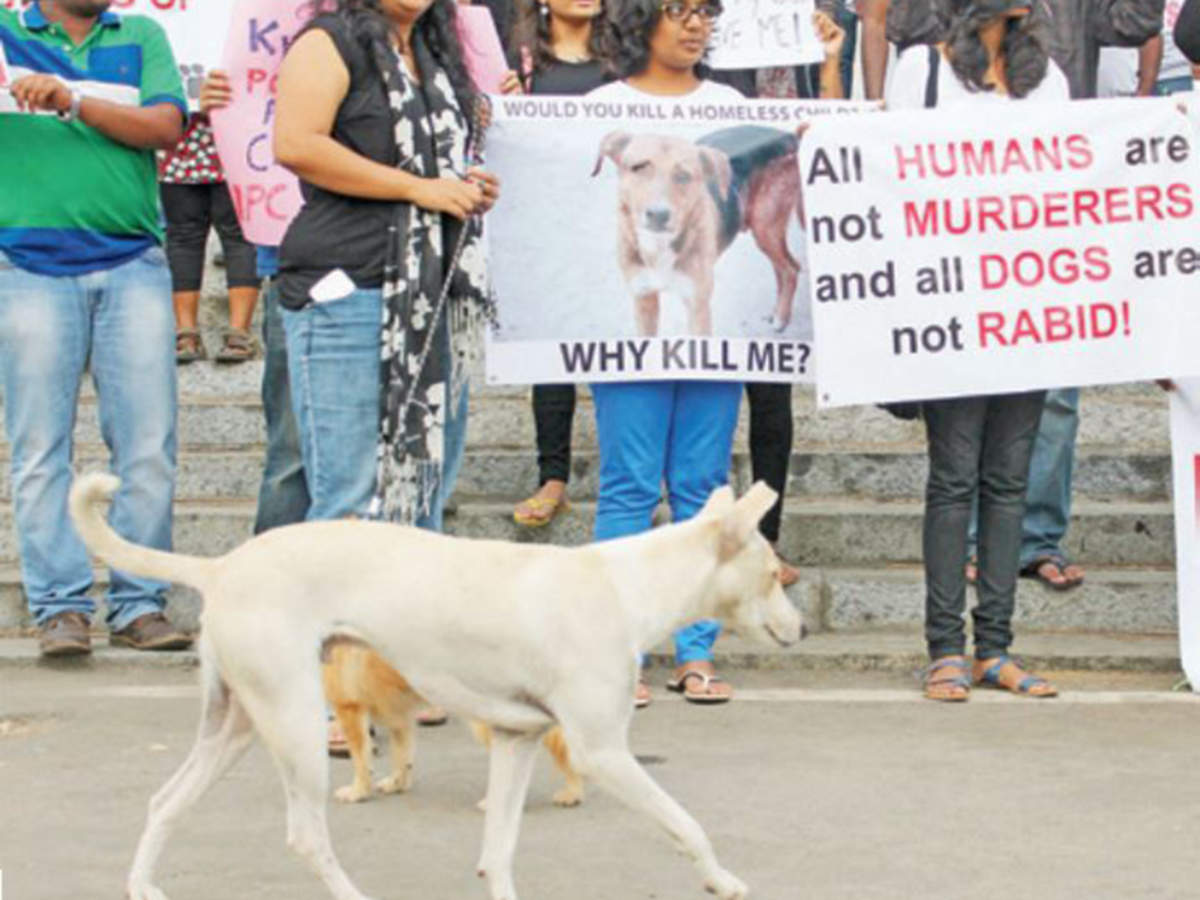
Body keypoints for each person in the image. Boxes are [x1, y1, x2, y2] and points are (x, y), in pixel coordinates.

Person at [885, 0, 1069, 701]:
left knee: (1008, 481)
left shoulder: (1044, 75)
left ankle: (995, 647)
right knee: (955, 476)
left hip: (1027, 302)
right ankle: (944, 648)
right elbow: (892, 169)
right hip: (950, 301)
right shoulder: (920, 70)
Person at [0, 0, 192, 656]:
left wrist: (70, 99)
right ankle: (60, 608)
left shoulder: (140, 33)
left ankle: (140, 605)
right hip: (26, 263)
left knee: (147, 446)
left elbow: (166, 127)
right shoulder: (4, 34)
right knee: (38, 449)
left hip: (133, 261)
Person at [587, 0, 753, 706]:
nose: (694, 26)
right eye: (678, 11)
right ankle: (614, 654)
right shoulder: (600, 108)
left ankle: (695, 651)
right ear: (641, 21)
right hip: (626, 348)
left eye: (704, 14)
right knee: (627, 485)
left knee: (703, 486)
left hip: (713, 347)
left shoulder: (729, 107)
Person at [710, 8, 847, 587]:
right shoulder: (705, 23)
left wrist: (832, 60)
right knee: (708, 413)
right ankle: (708, 542)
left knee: (771, 404)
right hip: (716, 206)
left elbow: (833, 118)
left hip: (774, 186)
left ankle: (766, 539)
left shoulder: (811, 24)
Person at [505, 0, 612, 528]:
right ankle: (553, 477)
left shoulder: (627, 59)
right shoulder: (521, 61)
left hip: (613, 221)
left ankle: (626, 474)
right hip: (549, 223)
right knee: (552, 356)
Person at [160, 112, 261, 364]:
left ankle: (186, 334)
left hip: (183, 145)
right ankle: (239, 334)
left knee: (184, 238)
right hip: (238, 143)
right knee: (240, 238)